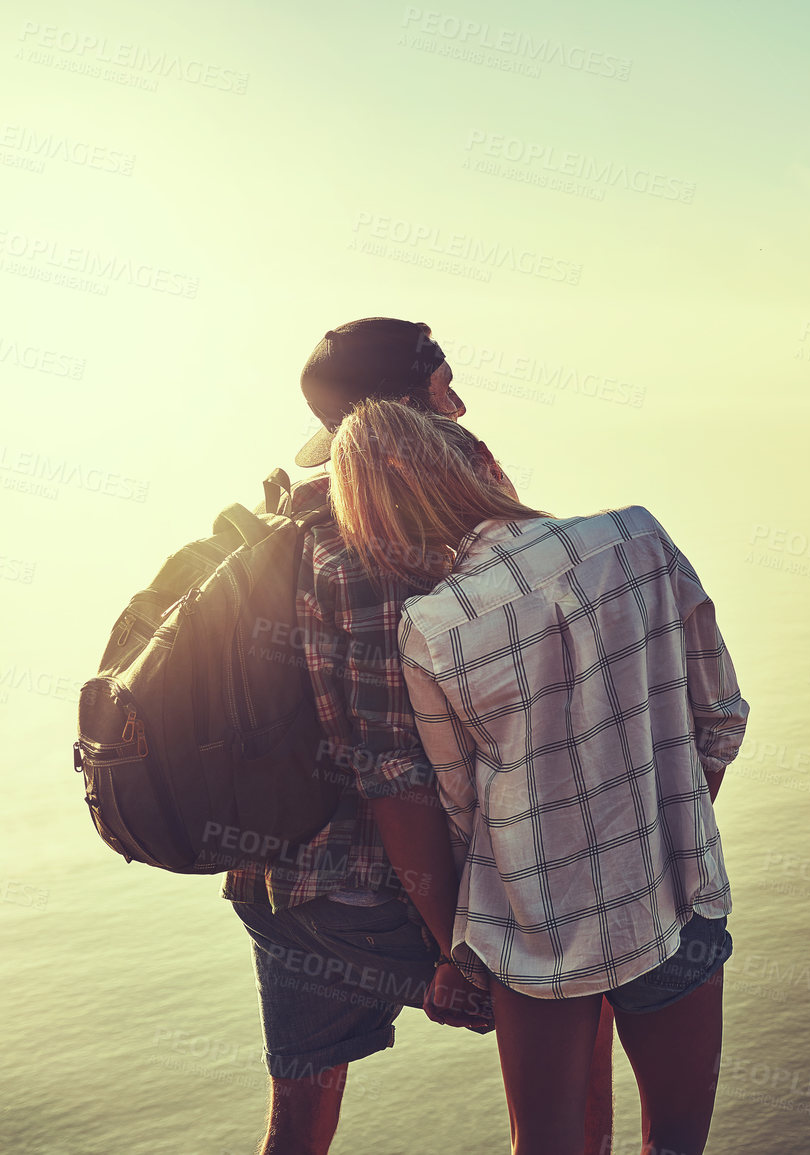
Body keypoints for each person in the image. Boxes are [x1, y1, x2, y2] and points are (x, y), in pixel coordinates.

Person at [324, 398, 749, 1155]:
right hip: (676, 898)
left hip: (531, 931)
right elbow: (720, 718)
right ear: (480, 462)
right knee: (678, 1141)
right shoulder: (638, 537)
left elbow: (460, 808)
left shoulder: (430, 626)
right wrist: (658, 836)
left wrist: (459, 948)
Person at [224, 318, 501, 1155]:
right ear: (409, 416)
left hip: (276, 875)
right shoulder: (379, 555)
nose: (463, 404)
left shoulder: (298, 525)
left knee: (298, 1130)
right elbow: (394, 774)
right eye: (446, 386)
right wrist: (456, 950)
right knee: (574, 995)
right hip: (366, 891)